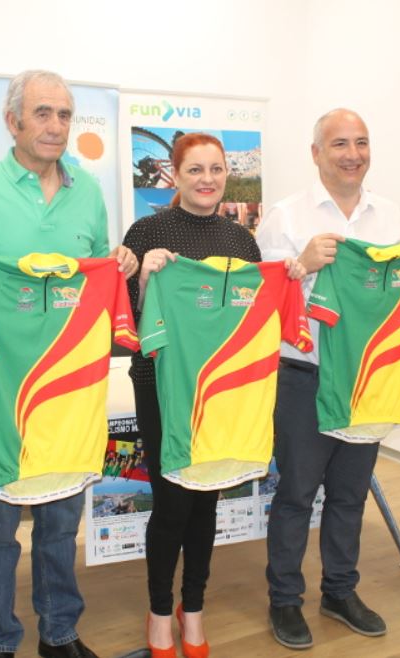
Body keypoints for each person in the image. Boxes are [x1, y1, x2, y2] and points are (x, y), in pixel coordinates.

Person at [0, 69, 138, 658]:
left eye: (65, 115)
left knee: (62, 520)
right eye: (43, 113)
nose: (55, 126)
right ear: (12, 120)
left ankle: (59, 633)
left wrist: (117, 262)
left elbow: (91, 277)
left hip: (68, 390)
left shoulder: (87, 192)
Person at [256, 108, 400, 649]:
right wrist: (301, 265)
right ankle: (284, 600)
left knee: (349, 494)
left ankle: (340, 591)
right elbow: (263, 303)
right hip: (306, 375)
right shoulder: (284, 216)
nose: (353, 154)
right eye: (340, 143)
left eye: (361, 143)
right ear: (316, 153)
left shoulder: (389, 216)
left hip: (368, 378)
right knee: (296, 495)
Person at [123, 132, 306, 658]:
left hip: (225, 388)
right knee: (171, 501)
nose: (207, 180)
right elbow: (127, 322)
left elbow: (256, 315)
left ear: (228, 174)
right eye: (195, 170)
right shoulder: (147, 232)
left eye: (216, 169)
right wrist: (145, 278)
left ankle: (194, 607)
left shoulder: (241, 241)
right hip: (162, 383)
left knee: (207, 498)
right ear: (175, 175)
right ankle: (161, 611)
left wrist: (291, 277)